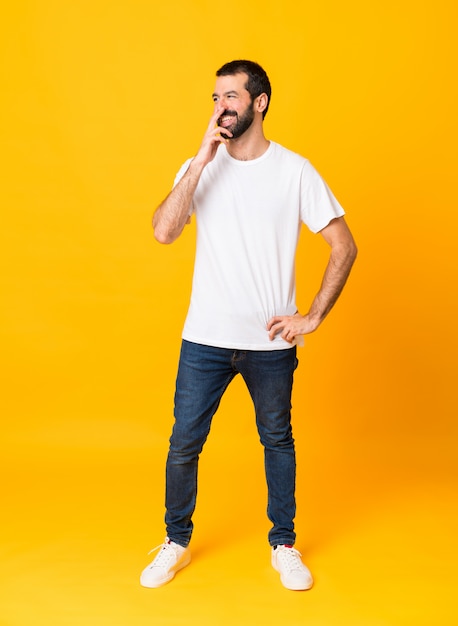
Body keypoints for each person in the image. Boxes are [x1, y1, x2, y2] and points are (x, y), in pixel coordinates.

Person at [140, 60, 357, 591]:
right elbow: (165, 232)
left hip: (269, 343)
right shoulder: (200, 165)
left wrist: (311, 316)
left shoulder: (294, 170)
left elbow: (344, 246)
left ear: (259, 102)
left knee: (277, 440)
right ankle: (176, 541)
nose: (221, 107)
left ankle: (284, 544)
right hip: (205, 339)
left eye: (231, 97)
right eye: (215, 98)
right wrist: (201, 158)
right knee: (184, 442)